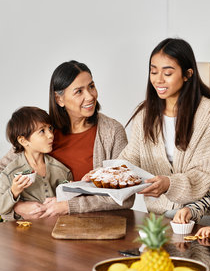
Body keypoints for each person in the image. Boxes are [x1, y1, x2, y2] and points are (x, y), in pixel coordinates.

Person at [0, 61, 133, 219]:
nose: (90, 96)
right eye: (79, 91)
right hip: (41, 230)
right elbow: (3, 172)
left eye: (91, 86)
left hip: (96, 226)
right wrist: (17, 206)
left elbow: (125, 196)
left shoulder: (111, 132)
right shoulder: (43, 132)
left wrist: (69, 206)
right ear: (59, 99)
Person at [119, 38, 210, 216]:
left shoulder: (208, 113)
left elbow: (204, 171)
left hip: (198, 213)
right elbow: (131, 157)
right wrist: (101, 175)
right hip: (156, 214)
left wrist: (169, 184)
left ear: (187, 74)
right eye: (153, 72)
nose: (158, 80)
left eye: (167, 73)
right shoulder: (144, 114)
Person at [0, 107, 72, 221]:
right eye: (42, 131)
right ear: (23, 141)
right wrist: (13, 192)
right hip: (23, 234)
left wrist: (71, 190)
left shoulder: (62, 170)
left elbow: (68, 202)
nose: (50, 135)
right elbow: (2, 208)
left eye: (50, 128)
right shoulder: (9, 174)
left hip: (56, 229)